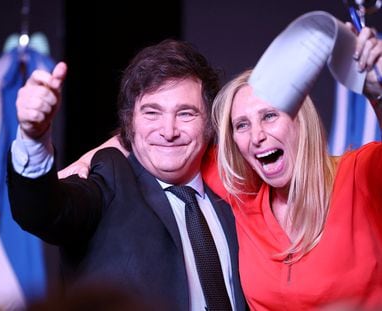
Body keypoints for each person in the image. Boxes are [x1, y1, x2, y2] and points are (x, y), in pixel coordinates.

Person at [59, 25, 382, 310]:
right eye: (241, 125)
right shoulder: (240, 194)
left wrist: (379, 94)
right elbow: (163, 138)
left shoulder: (359, 176)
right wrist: (91, 158)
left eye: (270, 116)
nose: (257, 135)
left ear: (301, 121)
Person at [7, 39, 247, 311]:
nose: (168, 131)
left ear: (209, 123)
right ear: (129, 122)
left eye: (185, 114)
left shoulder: (234, 196)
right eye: (152, 113)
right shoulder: (109, 176)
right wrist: (33, 136)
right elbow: (43, 212)